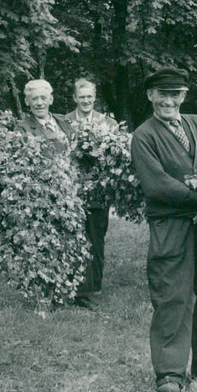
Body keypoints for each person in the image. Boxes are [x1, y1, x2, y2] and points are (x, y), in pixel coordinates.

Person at [131, 67, 197, 392]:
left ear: (184, 96)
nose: (169, 101)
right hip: (171, 225)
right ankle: (170, 374)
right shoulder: (144, 136)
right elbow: (157, 184)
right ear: (150, 96)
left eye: (176, 94)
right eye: (163, 94)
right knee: (172, 296)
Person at [64, 78, 120, 308]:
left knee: (96, 237)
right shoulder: (64, 122)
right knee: (74, 237)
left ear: (94, 98)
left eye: (90, 97)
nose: (86, 100)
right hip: (71, 188)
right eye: (82, 96)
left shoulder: (108, 123)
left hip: (98, 189)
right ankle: (74, 286)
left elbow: (115, 156)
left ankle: (94, 285)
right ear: (75, 98)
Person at [16, 79, 72, 155]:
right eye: (34, 99)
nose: (39, 103)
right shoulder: (22, 129)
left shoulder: (65, 120)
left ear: (51, 99)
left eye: (43, 98)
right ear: (27, 101)